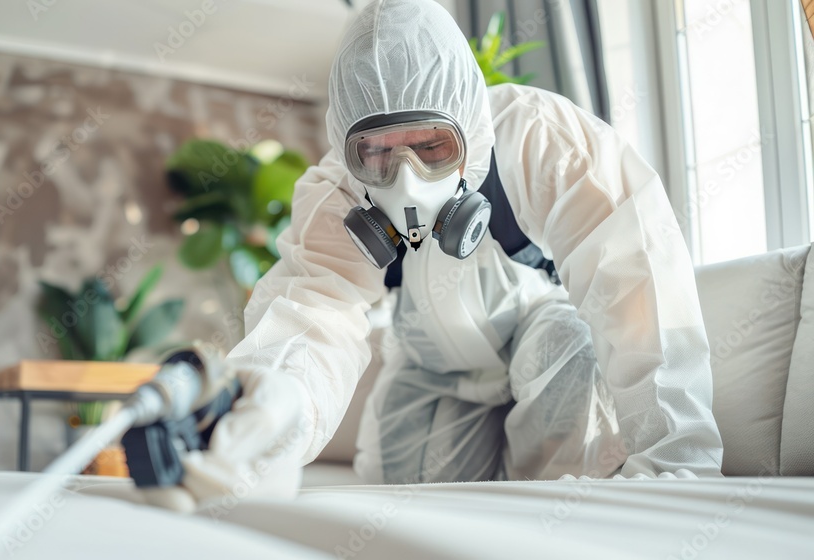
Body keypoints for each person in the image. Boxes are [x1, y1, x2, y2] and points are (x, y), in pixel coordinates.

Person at [169, 0, 723, 509]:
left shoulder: (542, 141)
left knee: (563, 380)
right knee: (415, 506)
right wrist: (277, 406)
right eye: (380, 154)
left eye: (432, 147)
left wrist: (676, 460)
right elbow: (310, 316)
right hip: (431, 364)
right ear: (346, 148)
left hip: (541, 334)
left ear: (469, 126)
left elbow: (636, 284)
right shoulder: (334, 196)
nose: (407, 183)